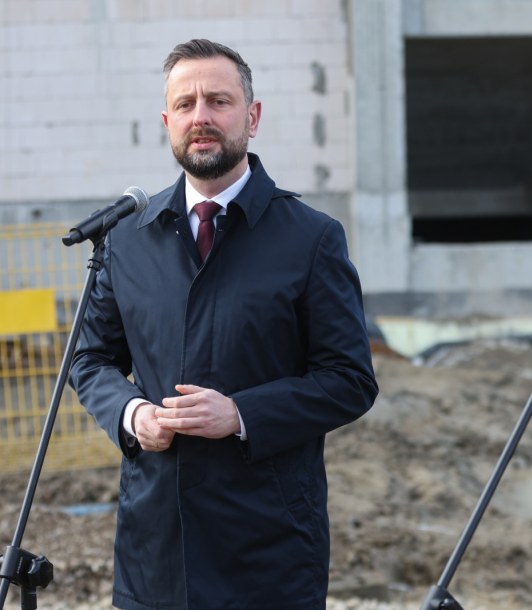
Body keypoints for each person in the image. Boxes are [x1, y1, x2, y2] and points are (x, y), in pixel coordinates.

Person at [69, 39, 378, 610]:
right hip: (155, 548)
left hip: (269, 550)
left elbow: (350, 380)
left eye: (218, 100)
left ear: (252, 117)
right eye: (185, 105)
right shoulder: (127, 240)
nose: (201, 117)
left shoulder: (310, 238)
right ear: (167, 122)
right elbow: (89, 360)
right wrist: (131, 414)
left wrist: (240, 414)